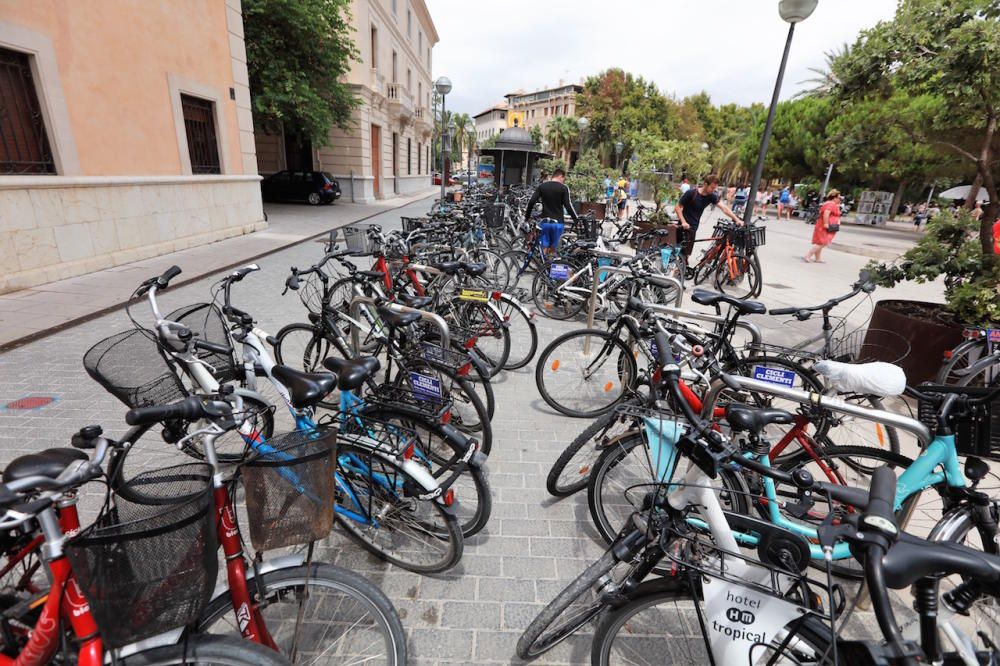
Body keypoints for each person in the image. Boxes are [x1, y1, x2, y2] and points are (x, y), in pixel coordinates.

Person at [674, 174, 742, 257]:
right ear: (705, 184)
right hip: (682, 226)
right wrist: (683, 222)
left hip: (693, 227)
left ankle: (681, 267)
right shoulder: (691, 193)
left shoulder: (711, 196)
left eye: (715, 188)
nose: (713, 190)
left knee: (686, 254)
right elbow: (678, 207)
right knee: (677, 251)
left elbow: (724, 208)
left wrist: (736, 219)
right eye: (712, 188)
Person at [524, 167, 579, 256]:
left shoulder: (542, 186)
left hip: (545, 222)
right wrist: (576, 220)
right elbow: (568, 206)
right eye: (563, 179)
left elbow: (531, 202)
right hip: (558, 223)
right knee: (553, 250)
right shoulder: (563, 188)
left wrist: (527, 216)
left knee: (544, 248)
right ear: (561, 176)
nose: (563, 181)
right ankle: (551, 268)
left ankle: (542, 268)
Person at [804, 189, 842, 263]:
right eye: (839, 198)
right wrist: (826, 223)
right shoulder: (831, 204)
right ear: (834, 197)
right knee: (823, 242)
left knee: (820, 242)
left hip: (825, 224)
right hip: (825, 225)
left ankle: (818, 258)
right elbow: (826, 213)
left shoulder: (830, 203)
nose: (839, 199)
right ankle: (808, 255)